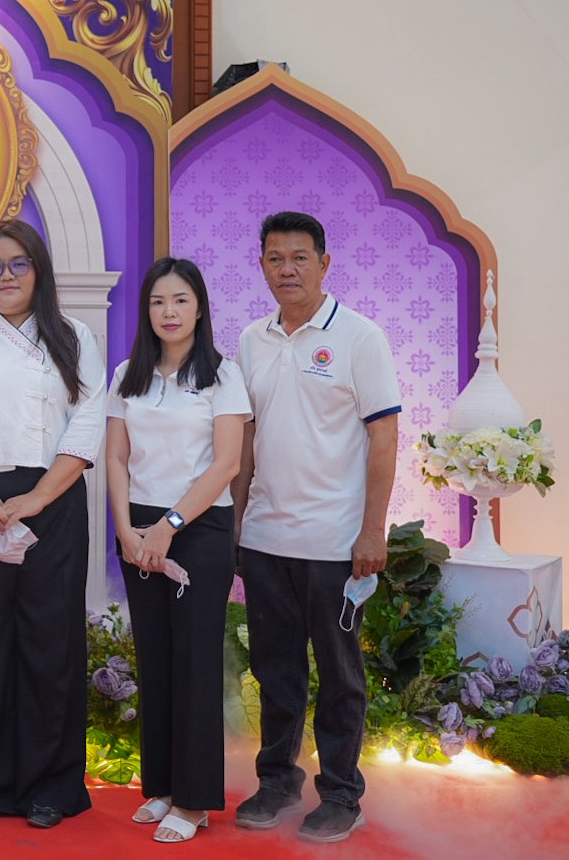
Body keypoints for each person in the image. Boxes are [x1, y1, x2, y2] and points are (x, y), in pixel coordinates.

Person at [231, 211, 400, 844]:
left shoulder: (360, 337)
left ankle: (341, 795)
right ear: (262, 266)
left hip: (335, 543)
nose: (288, 269)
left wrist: (372, 531)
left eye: (300, 257)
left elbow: (384, 437)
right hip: (265, 538)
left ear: (324, 264)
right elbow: (246, 440)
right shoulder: (252, 340)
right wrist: (237, 523)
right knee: (276, 672)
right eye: (275, 258)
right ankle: (277, 783)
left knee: (339, 677)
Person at [0, 219, 105, 830]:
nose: (6, 276)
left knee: (49, 643)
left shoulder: (73, 336)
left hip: (52, 499)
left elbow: (89, 420)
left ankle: (49, 785)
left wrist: (37, 496)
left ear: (40, 270)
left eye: (18, 264)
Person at [107, 257, 251, 844]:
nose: (169, 312)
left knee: (194, 661)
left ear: (199, 308)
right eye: (158, 301)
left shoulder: (222, 375)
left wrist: (169, 524)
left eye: (180, 300)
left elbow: (227, 464)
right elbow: (116, 457)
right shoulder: (128, 375)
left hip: (199, 527)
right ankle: (163, 788)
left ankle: (194, 802)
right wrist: (125, 528)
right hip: (138, 527)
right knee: (155, 657)